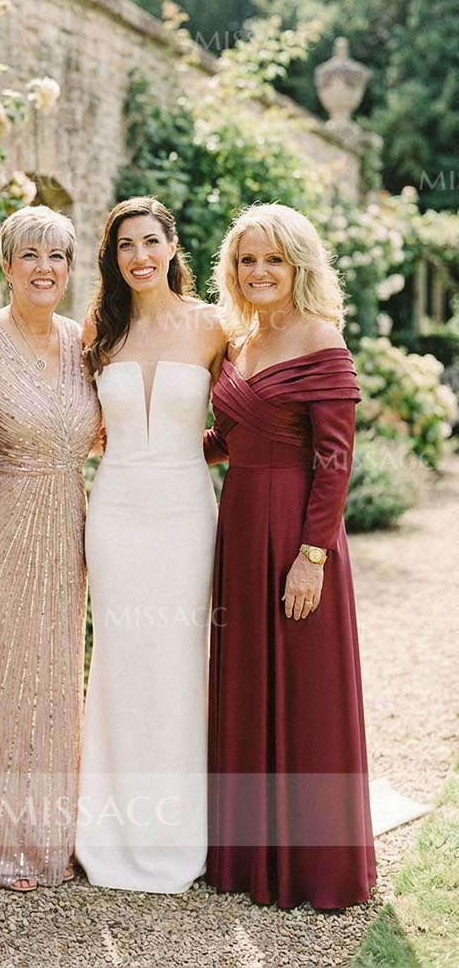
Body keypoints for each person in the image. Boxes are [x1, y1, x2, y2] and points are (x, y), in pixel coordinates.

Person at [204, 203, 376, 910]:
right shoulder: (238, 340)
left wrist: (312, 556)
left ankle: (313, 865)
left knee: (306, 688)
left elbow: (335, 459)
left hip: (298, 532)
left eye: (273, 259)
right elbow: (227, 440)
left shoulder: (320, 338)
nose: (259, 271)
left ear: (298, 265)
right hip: (241, 526)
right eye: (247, 259)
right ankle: (249, 856)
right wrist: (143, 447)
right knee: (247, 678)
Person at [76, 196, 227, 893]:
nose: (139, 256)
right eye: (125, 246)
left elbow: (247, 417)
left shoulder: (213, 326)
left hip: (185, 512)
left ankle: (180, 829)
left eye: (149, 242)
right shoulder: (99, 329)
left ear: (172, 246)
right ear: (113, 258)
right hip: (114, 512)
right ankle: (109, 829)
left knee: (179, 661)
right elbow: (79, 423)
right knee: (118, 659)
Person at [0, 205, 101, 891]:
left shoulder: (84, 342)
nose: (45, 268)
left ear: (70, 270)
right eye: (31, 255)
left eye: (57, 256)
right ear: (6, 265)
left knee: (54, 684)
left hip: (66, 528)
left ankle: (52, 838)